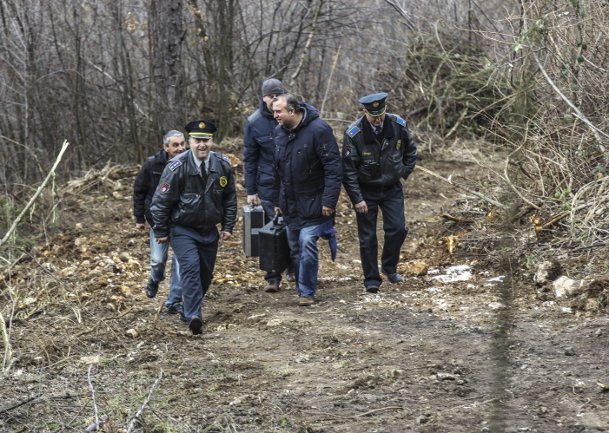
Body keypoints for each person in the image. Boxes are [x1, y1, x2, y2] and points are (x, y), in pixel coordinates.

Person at [150, 119, 237, 335]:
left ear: (211, 141)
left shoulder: (222, 165)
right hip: (182, 229)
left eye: (206, 140)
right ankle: (193, 315)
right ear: (190, 142)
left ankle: (189, 308)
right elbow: (160, 201)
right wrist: (161, 230)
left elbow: (230, 198)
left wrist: (227, 226)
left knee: (205, 276)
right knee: (190, 268)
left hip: (209, 230)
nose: (202, 145)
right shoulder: (176, 167)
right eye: (197, 140)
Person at [342, 92, 417, 293]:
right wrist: (357, 198)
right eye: (373, 115)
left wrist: (403, 172)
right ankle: (372, 279)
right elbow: (348, 170)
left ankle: (389, 266)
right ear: (364, 111)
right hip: (366, 191)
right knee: (367, 237)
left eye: (381, 114)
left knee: (398, 229)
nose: (378, 119)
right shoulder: (354, 133)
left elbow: (411, 151)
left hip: (392, 188)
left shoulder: (398, 125)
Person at [271, 94, 342, 306]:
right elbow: (277, 171)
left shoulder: (319, 130)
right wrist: (277, 200)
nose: (275, 115)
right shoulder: (278, 133)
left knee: (307, 242)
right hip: (290, 203)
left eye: (278, 111)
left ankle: (306, 292)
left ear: (292, 111)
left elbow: (333, 168)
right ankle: (301, 286)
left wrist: (329, 200)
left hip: (315, 201)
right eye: (274, 111)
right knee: (294, 247)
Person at [243, 78, 295, 292]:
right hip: (267, 184)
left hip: (291, 181)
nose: (274, 100)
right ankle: (272, 276)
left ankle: (293, 267)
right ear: (263, 98)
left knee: (293, 226)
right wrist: (251, 190)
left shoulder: (291, 115)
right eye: (271, 96)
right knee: (269, 231)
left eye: (278, 95)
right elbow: (249, 158)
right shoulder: (254, 123)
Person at [133, 130, 185, 314]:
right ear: (166, 147)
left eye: (182, 144)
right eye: (175, 145)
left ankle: (174, 301)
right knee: (157, 260)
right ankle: (155, 279)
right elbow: (139, 191)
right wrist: (139, 218)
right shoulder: (152, 164)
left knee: (180, 263)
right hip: (157, 221)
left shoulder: (189, 163)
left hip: (181, 222)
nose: (180, 148)